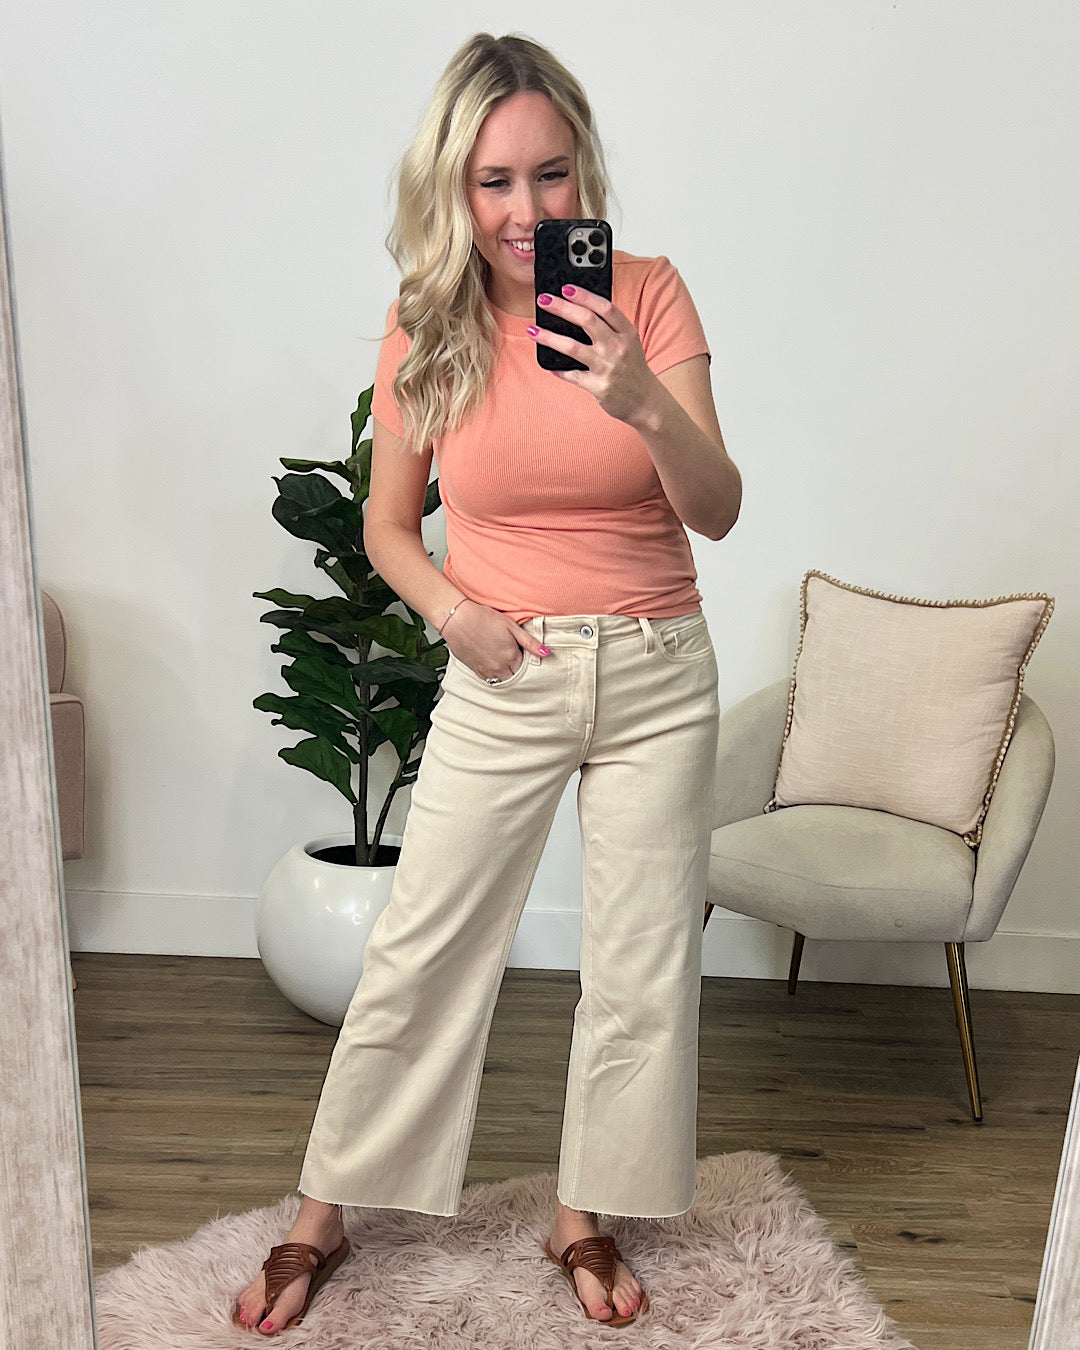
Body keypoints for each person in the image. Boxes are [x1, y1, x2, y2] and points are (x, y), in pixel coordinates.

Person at [233, 30, 741, 1337]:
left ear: (585, 172)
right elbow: (388, 526)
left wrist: (642, 398)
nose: (526, 211)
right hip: (507, 668)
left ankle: (584, 1211)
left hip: (657, 671)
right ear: (454, 187)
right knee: (422, 950)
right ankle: (322, 1212)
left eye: (550, 175)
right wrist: (457, 615)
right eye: (495, 181)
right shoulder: (430, 322)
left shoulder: (649, 296)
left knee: (637, 966)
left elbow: (719, 507)